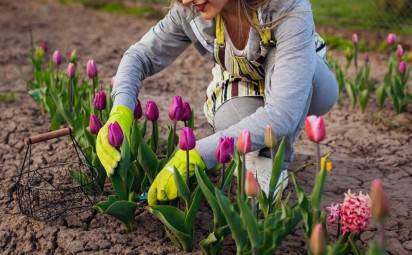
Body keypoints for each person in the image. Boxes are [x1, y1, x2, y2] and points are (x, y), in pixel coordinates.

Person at [96, 0, 338, 205]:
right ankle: (257, 150)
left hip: (305, 82)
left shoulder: (288, 7)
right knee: (229, 122)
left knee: (286, 106)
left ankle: (273, 157)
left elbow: (284, 111)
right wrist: (121, 112)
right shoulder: (189, 9)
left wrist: (198, 154)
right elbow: (139, 56)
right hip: (245, 79)